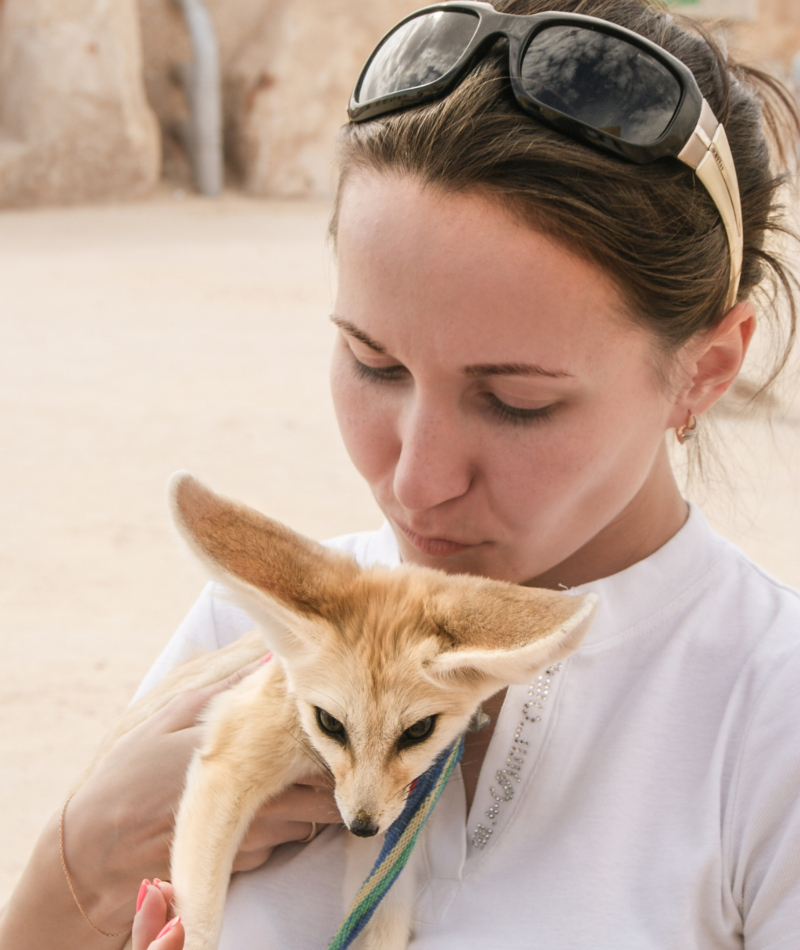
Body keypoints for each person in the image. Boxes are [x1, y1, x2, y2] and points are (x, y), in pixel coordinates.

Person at [2, 0, 800, 947]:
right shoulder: (248, 635)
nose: (415, 483)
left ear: (705, 369)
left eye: (516, 400)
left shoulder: (767, 717)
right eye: (375, 364)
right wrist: (80, 862)